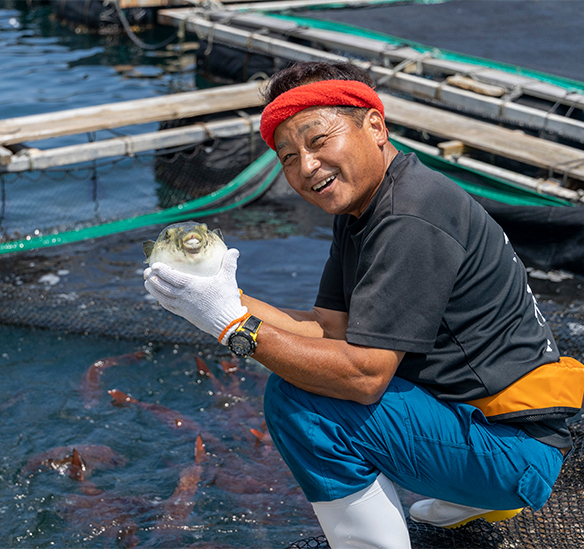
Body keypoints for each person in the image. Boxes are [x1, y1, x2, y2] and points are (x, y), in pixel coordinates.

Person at [144, 61, 584, 549]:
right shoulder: (363, 205)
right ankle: (474, 493)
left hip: (517, 448)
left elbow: (364, 376)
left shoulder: (411, 216)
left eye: (318, 141)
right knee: (313, 376)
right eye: (287, 157)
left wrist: (236, 329)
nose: (306, 167)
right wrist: (219, 301)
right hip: (496, 425)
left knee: (300, 404)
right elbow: (332, 330)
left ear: (374, 126)